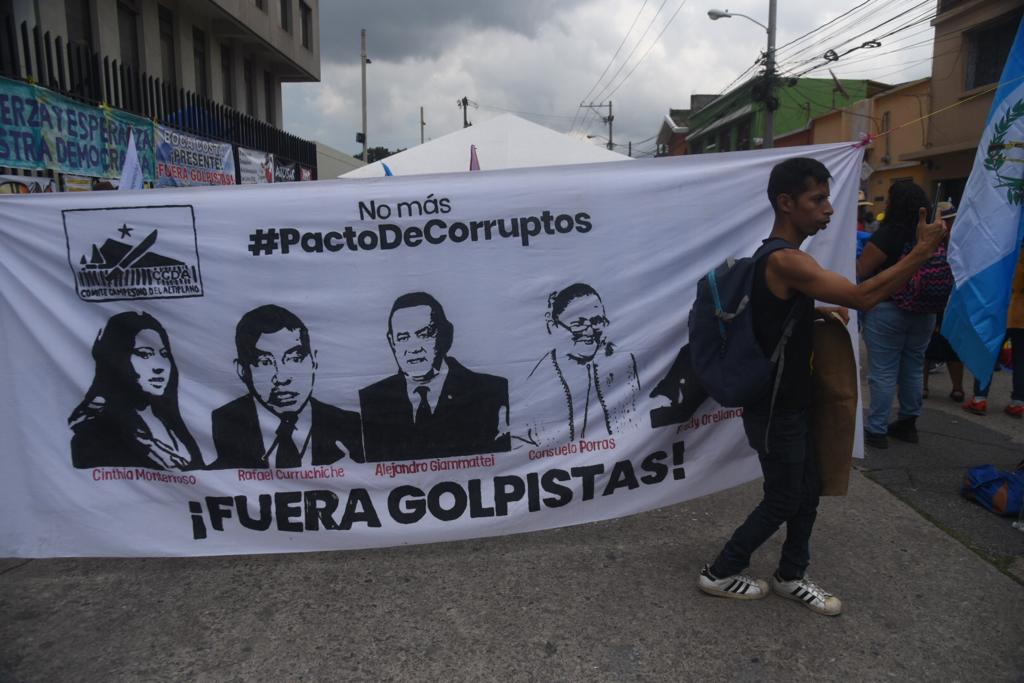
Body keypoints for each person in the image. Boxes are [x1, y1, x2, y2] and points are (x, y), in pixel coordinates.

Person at [698, 157, 946, 616]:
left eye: (828, 197)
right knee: (786, 495)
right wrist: (921, 253)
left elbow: (771, 316)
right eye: (818, 199)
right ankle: (720, 571)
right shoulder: (785, 259)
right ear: (786, 203)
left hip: (794, 400)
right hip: (775, 406)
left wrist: (813, 311)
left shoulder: (779, 259)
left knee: (808, 489)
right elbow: (863, 295)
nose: (829, 209)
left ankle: (791, 575)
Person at [359, 292, 510, 461]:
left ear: (446, 334)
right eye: (403, 338)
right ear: (392, 342)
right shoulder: (371, 401)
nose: (414, 348)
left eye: (424, 334)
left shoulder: (491, 392)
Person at [210, 304, 363, 469]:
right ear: (243, 371)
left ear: (314, 362)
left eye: (294, 359)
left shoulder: (347, 424)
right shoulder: (227, 422)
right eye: (265, 362)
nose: (281, 378)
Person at [855, 181, 938, 448]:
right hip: (924, 310)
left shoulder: (889, 233)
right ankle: (908, 423)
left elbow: (862, 269)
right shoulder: (929, 234)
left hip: (887, 309)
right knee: (913, 366)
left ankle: (877, 429)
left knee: (883, 371)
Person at [70, 311, 203, 470]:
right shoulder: (94, 428)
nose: (159, 367)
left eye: (164, 354)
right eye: (145, 354)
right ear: (118, 358)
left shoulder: (169, 419)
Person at [516, 283, 641, 446]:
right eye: (578, 324)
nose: (589, 332)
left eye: (596, 321)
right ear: (554, 325)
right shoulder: (537, 381)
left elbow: (634, 426)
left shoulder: (622, 364)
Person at [962, 241, 1024, 418]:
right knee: (1021, 360)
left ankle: (980, 398)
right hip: (1020, 319)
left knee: (987, 355)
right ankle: (1018, 402)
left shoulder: (1009, 253)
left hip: (1001, 314)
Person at [922, 201, 965, 403]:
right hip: (934, 302)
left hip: (949, 303)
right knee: (927, 346)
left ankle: (956, 387)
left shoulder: (959, 244)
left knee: (951, 346)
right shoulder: (931, 242)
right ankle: (924, 386)